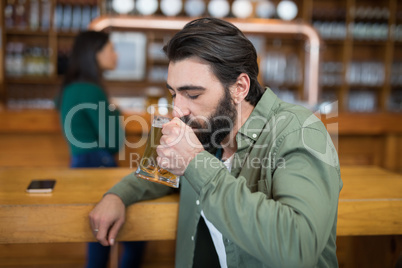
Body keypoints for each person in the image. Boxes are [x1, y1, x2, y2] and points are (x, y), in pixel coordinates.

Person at [89, 18, 342, 267]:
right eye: (173, 94)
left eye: (193, 94)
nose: (178, 109)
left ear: (240, 87)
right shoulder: (208, 130)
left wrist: (195, 162)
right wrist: (118, 195)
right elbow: (162, 172)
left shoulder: (299, 130)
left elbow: (298, 248)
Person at [56, 31, 145, 268]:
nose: (116, 54)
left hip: (79, 166)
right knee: (132, 239)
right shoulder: (92, 90)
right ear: (95, 54)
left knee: (98, 238)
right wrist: (115, 112)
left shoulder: (71, 88)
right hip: (99, 166)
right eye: (111, 49)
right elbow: (115, 142)